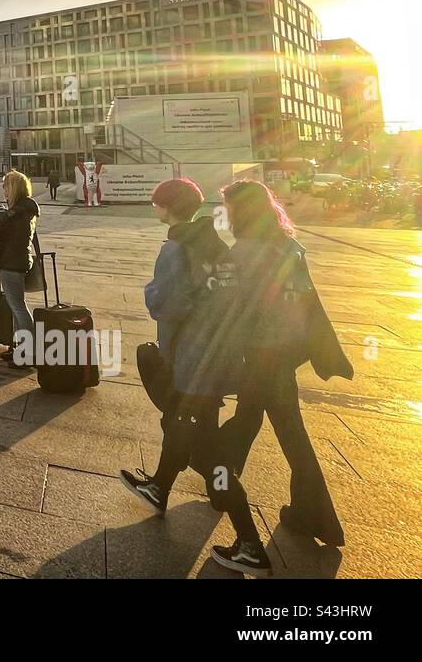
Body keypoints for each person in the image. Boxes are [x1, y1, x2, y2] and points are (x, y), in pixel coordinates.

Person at [119, 176, 273, 575]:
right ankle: (157, 487)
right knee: (181, 423)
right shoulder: (217, 245)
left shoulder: (176, 249)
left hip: (192, 360)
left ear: (168, 208)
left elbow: (166, 303)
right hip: (218, 357)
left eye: (157, 203)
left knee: (207, 452)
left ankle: (250, 543)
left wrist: (149, 293)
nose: (154, 209)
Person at [216, 180, 352, 549]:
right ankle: (309, 513)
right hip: (284, 351)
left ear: (241, 211)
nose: (224, 214)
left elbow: (230, 307)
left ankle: (221, 482)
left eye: (227, 208)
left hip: (261, 353)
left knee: (272, 428)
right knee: (260, 422)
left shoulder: (245, 252)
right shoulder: (288, 245)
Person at [0, 170, 41, 370]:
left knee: (18, 308)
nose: (3, 190)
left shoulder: (17, 211)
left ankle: (28, 352)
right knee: (17, 307)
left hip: (12, 263)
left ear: (13, 187)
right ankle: (19, 348)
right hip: (19, 261)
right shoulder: (25, 208)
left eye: (5, 186)